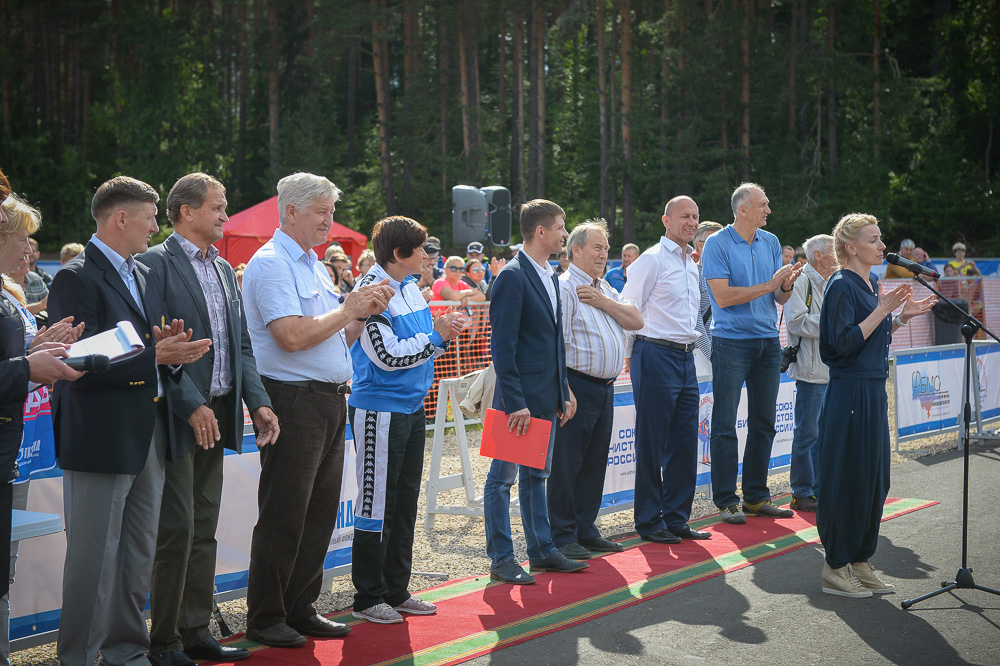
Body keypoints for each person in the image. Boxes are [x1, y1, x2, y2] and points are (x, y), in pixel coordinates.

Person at [49, 175, 211, 666]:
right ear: (121, 218)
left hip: (149, 430)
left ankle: (126, 653)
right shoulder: (75, 277)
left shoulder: (140, 273)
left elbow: (147, 351)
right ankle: (76, 657)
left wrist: (173, 355)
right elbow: (74, 363)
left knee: (137, 554)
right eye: (150, 216)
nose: (156, 226)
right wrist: (156, 358)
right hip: (101, 438)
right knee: (92, 562)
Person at [242, 172, 391, 648]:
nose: (330, 221)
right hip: (292, 398)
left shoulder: (310, 264)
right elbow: (290, 337)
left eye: (331, 211)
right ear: (291, 211)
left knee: (319, 514)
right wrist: (349, 309)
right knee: (286, 513)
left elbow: (331, 335)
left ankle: (299, 608)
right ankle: (267, 617)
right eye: (322, 212)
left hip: (326, 398)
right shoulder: (271, 263)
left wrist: (360, 312)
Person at [138, 173, 280, 665]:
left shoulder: (222, 268)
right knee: (176, 530)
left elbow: (239, 344)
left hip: (217, 413)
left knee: (204, 527)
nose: (225, 215)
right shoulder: (154, 264)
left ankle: (194, 631)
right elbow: (156, 348)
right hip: (178, 416)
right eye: (217, 207)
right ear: (185, 212)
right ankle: (164, 643)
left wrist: (257, 400)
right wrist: (189, 402)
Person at [348, 216, 462, 624]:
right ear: (399, 255)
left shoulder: (409, 287)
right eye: (421, 250)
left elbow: (416, 345)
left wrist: (438, 332)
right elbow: (388, 356)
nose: (429, 257)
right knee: (376, 503)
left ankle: (395, 589)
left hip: (411, 408)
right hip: (379, 408)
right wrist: (437, 337)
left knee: (405, 501)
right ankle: (368, 596)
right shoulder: (371, 291)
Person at [817, 213, 935, 597]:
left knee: (874, 480)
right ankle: (835, 565)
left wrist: (899, 318)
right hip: (849, 391)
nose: (883, 246)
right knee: (849, 480)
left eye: (880, 238)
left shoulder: (870, 283)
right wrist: (883, 310)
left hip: (871, 390)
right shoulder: (840, 285)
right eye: (874, 239)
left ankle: (859, 559)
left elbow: (872, 338)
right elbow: (841, 346)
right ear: (851, 247)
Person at [0, 190, 83, 666]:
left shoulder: (9, 292)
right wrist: (28, 368)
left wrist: (41, 346)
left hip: (12, 453)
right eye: (25, 239)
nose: (30, 250)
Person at [485, 199, 583, 585]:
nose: (564, 233)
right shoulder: (512, 275)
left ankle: (541, 550)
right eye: (560, 227)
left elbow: (554, 342)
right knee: (502, 480)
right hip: (520, 403)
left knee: (536, 478)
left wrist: (564, 391)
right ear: (540, 231)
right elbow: (502, 346)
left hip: (546, 397)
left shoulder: (552, 276)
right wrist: (516, 403)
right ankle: (501, 558)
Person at [702, 183, 804, 524]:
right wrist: (770, 285)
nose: (768, 210)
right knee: (724, 424)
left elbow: (780, 299)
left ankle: (757, 498)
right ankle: (727, 500)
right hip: (730, 340)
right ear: (742, 209)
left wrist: (786, 283)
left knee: (764, 423)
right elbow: (723, 297)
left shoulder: (771, 241)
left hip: (766, 340)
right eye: (762, 204)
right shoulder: (716, 243)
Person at [550, 219, 642, 558]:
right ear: (576, 250)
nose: (604, 254)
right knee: (566, 464)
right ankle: (562, 536)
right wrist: (563, 388)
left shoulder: (604, 288)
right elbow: (555, 343)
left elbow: (635, 320)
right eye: (597, 247)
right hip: (576, 385)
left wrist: (603, 302)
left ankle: (585, 529)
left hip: (605, 387)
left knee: (593, 464)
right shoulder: (564, 287)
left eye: (606, 248)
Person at [623, 197, 710, 544]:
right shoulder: (650, 260)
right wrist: (629, 358)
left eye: (696, 216)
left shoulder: (691, 263)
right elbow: (630, 310)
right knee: (652, 441)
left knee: (686, 441)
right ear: (666, 220)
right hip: (655, 354)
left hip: (685, 357)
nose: (691, 222)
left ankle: (676, 518)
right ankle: (649, 520)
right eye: (685, 216)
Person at [784, 234, 836, 513]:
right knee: (807, 434)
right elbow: (795, 322)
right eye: (833, 250)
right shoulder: (802, 279)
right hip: (810, 370)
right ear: (818, 254)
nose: (838, 254)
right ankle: (801, 491)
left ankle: (817, 489)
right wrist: (833, 323)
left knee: (824, 433)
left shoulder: (834, 281)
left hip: (830, 371)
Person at [693, 221, 723, 360]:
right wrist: (713, 356)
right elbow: (695, 320)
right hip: (703, 355)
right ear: (701, 245)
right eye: (717, 241)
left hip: (730, 351)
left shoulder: (729, 274)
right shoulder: (694, 274)